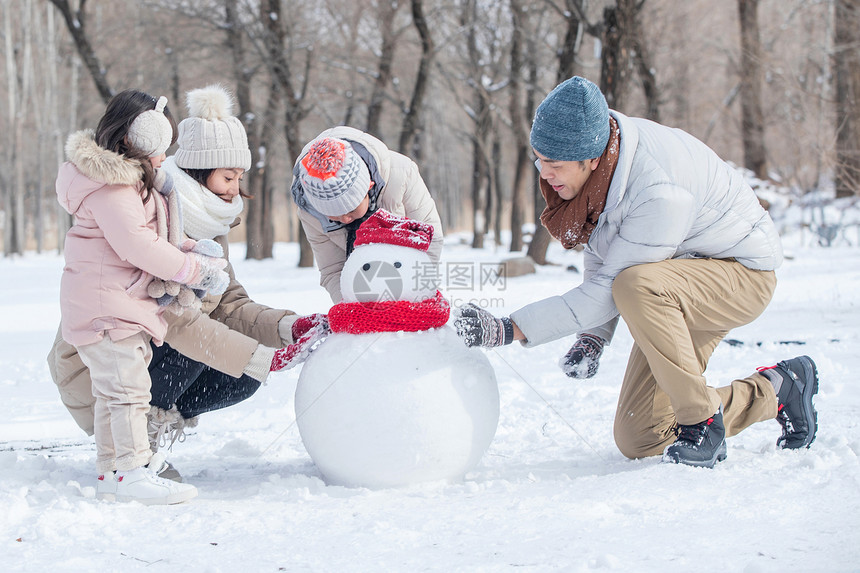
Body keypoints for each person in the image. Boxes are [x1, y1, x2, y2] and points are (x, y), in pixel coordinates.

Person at [454, 76, 819, 469]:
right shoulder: (608, 165)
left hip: (740, 275)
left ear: (589, 158)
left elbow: (615, 285)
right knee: (642, 434)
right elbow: (608, 251)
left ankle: (703, 422)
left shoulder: (657, 190)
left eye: (555, 165)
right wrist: (593, 336)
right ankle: (779, 389)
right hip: (680, 280)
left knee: (635, 285)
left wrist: (508, 328)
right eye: (539, 160)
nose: (544, 174)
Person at [48, 85, 328, 488]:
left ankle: (124, 465)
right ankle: (135, 456)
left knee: (238, 371)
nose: (236, 189)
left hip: (139, 343)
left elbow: (229, 303)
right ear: (200, 173)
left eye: (240, 177)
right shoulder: (146, 207)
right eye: (228, 177)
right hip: (99, 358)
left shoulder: (200, 222)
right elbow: (177, 318)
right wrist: (265, 358)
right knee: (203, 343)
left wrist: (290, 328)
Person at [56, 90, 230, 504]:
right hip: (107, 305)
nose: (161, 158)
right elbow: (139, 246)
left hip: (115, 301)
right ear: (134, 139)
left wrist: (186, 249)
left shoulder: (123, 185)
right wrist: (194, 271)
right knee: (129, 392)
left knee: (113, 393)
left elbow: (150, 237)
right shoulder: (112, 189)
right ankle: (132, 472)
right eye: (158, 147)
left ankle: (113, 473)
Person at [291, 127, 443, 302]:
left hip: (409, 286)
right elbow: (332, 270)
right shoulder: (310, 213)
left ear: (368, 187)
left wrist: (413, 295)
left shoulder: (402, 175)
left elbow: (431, 239)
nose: (345, 219)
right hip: (360, 293)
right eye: (334, 216)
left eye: (351, 210)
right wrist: (354, 308)